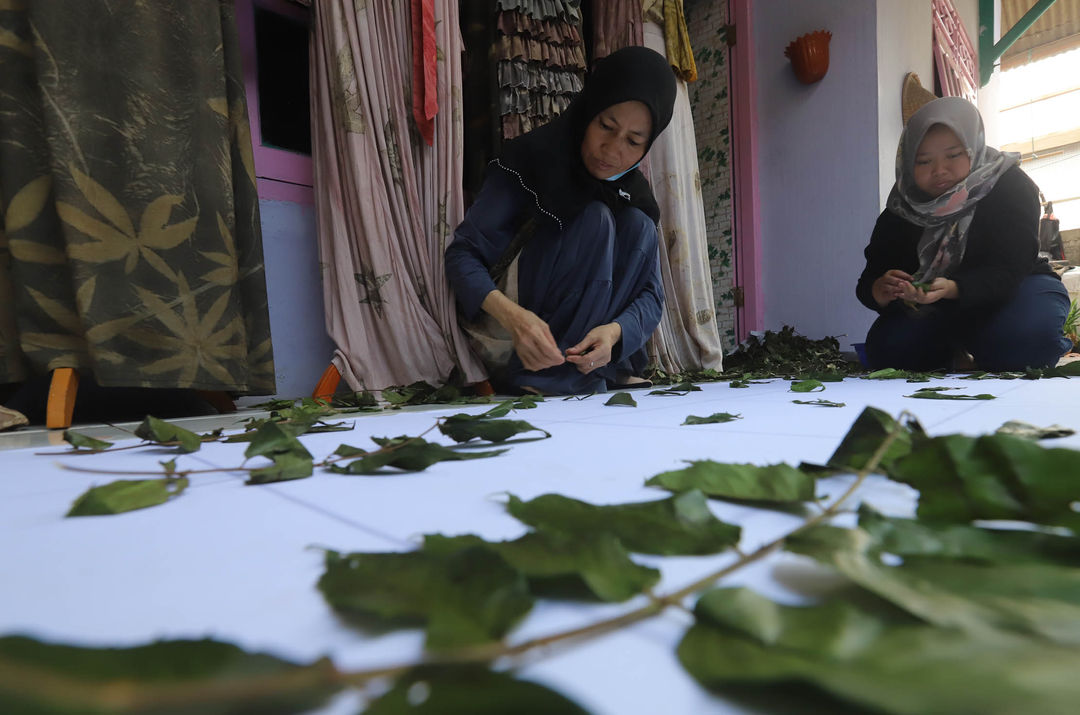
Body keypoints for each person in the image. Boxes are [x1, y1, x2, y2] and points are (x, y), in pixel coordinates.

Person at [445, 46, 677, 394]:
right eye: (606, 125)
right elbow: (461, 255)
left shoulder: (635, 193)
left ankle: (590, 365)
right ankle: (549, 376)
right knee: (594, 217)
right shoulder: (532, 159)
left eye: (633, 141)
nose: (613, 150)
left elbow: (651, 295)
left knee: (638, 224)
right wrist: (515, 319)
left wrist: (614, 334)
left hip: (582, 351)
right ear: (589, 110)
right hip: (514, 337)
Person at [856, 97, 1072, 372]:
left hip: (1017, 287)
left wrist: (956, 288)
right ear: (907, 162)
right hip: (936, 305)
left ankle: (989, 343)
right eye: (923, 161)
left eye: (953, 155)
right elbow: (870, 278)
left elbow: (1009, 267)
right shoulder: (900, 209)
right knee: (889, 353)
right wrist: (880, 290)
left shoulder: (1009, 186)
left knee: (1024, 345)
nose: (939, 170)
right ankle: (958, 351)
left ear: (974, 147)